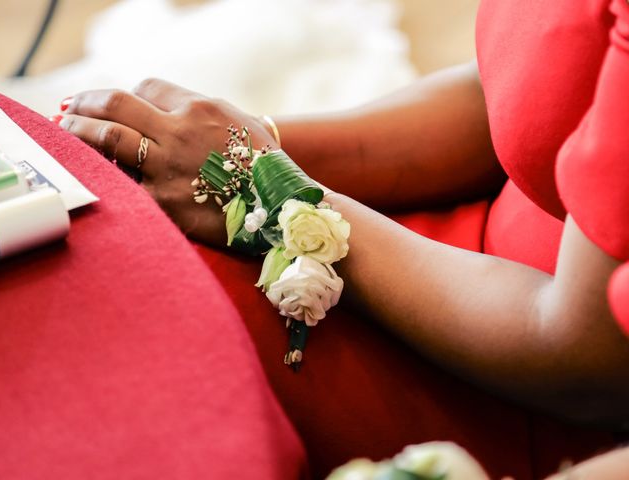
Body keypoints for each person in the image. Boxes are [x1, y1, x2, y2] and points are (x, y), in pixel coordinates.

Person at [52, 0, 629, 477]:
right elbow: (527, 91)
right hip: (422, 247)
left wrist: (270, 191)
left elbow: (588, 359)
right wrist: (242, 148)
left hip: (517, 381)